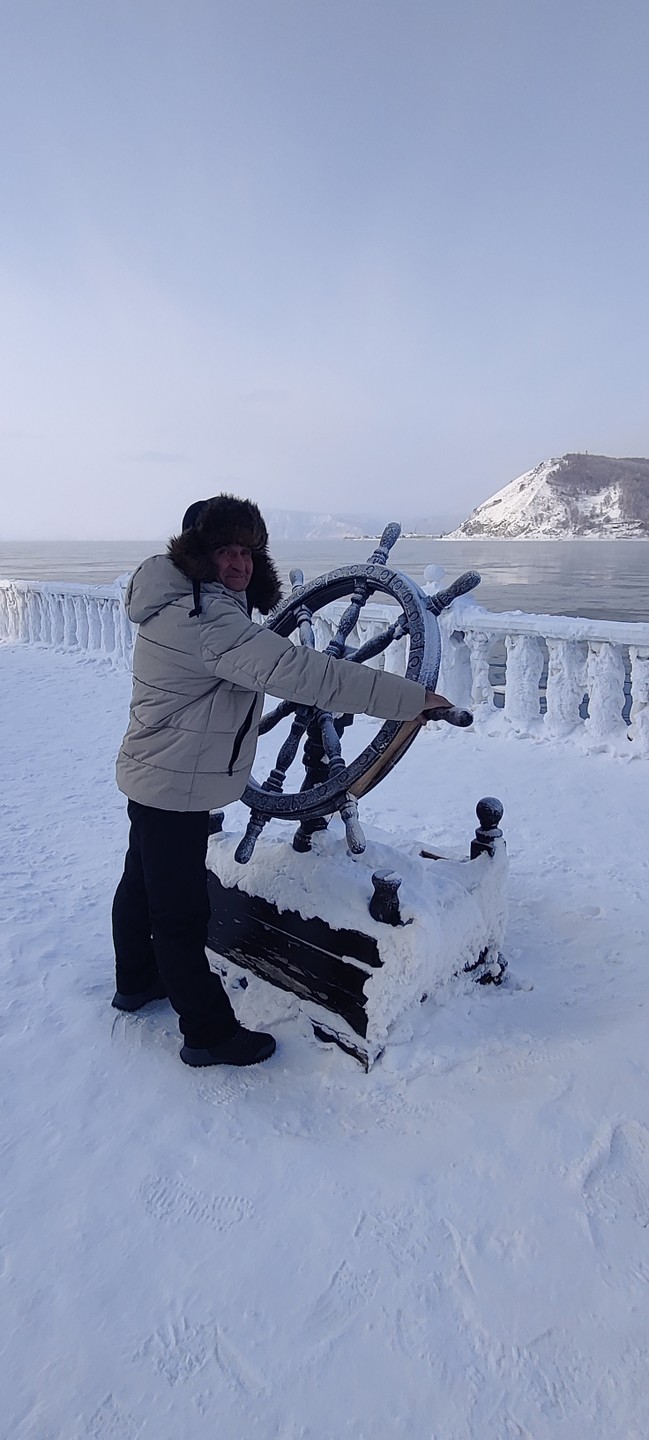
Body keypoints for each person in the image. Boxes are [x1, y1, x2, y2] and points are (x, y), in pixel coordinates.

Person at [112, 494, 452, 1069]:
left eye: (248, 551)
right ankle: (208, 1033)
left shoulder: (177, 602)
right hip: (177, 784)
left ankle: (138, 979)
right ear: (197, 554)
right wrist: (409, 699)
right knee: (179, 913)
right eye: (224, 549)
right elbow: (304, 672)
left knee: (141, 883)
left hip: (157, 772)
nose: (239, 563)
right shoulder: (207, 621)